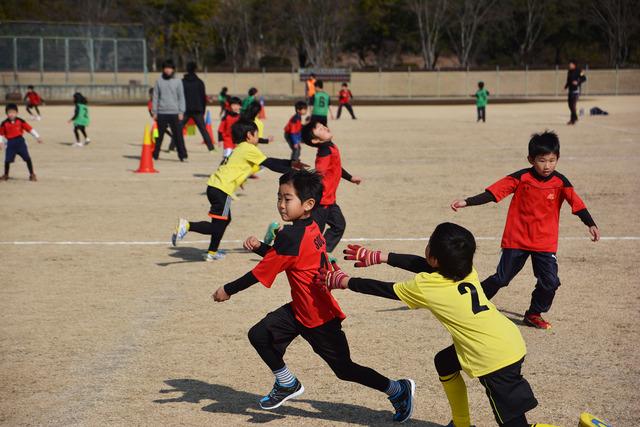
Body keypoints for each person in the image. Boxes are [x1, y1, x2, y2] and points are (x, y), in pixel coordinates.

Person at [211, 169, 415, 422]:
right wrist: (262, 248)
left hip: (319, 315)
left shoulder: (291, 236)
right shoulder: (309, 228)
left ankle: (398, 389)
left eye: (287, 199)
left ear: (308, 204)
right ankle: (287, 384)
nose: (281, 205)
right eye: (279, 198)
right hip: (301, 308)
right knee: (259, 335)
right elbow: (287, 259)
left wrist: (227, 290)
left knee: (345, 369)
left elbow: (259, 273)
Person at [317, 222, 559, 427]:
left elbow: (385, 289)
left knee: (515, 424)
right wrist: (381, 257)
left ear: (434, 257)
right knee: (444, 362)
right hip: (503, 339)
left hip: (492, 358)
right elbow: (424, 265)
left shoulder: (426, 287)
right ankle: (461, 422)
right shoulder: (466, 270)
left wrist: (345, 281)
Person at [450, 131, 600, 329]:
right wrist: (467, 202)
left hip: (544, 243)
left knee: (550, 282)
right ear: (531, 159)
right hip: (517, 239)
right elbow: (493, 193)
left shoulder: (561, 182)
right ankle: (471, 302)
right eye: (542, 160)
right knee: (502, 279)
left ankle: (534, 313)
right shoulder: (521, 178)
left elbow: (577, 205)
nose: (547, 166)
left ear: (558, 159)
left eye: (552, 160)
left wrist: (590, 223)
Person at [171, 120, 302, 261]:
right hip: (222, 189)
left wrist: (290, 163)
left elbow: (269, 160)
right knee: (218, 226)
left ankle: (212, 252)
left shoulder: (241, 148)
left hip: (216, 187)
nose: (258, 137)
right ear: (249, 135)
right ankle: (187, 225)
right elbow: (269, 163)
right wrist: (294, 171)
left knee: (223, 221)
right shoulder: (248, 148)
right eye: (257, 134)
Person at [298, 119, 361, 257]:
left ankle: (322, 253)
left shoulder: (330, 146)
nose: (324, 128)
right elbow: (320, 172)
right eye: (319, 129)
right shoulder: (324, 151)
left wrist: (350, 178)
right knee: (313, 232)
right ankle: (283, 238)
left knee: (339, 226)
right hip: (321, 202)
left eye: (323, 126)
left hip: (330, 200)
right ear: (315, 141)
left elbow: (336, 167)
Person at [151, 59, 187, 161]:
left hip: (175, 113)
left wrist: (181, 111)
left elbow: (181, 97)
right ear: (163, 69)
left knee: (178, 135)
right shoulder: (158, 81)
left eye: (170, 68)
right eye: (166, 68)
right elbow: (155, 97)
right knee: (159, 136)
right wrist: (154, 112)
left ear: (173, 70)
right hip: (161, 113)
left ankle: (182, 155)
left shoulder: (178, 81)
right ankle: (155, 154)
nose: (168, 70)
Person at [1, 103, 43, 181]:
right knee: (7, 160)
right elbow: (1, 134)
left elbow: (30, 129)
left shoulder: (20, 121)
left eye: (13, 112)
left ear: (17, 113)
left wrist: (37, 136)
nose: (11, 114)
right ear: (6, 113)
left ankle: (32, 174)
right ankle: (6, 174)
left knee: (27, 158)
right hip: (10, 143)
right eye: (9, 112)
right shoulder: (4, 123)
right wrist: (0, 142)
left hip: (20, 142)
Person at [181, 62, 214, 151]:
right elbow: (203, 97)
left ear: (187, 69)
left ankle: (171, 147)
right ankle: (211, 148)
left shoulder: (182, 82)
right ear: (195, 69)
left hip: (185, 110)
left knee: (178, 129)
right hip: (197, 110)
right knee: (203, 130)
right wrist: (202, 110)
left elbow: (179, 97)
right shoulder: (199, 82)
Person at [217, 97, 242, 161]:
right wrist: (220, 140)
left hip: (239, 142)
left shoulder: (241, 117)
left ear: (240, 106)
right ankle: (221, 170)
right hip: (228, 140)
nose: (236, 107)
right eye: (233, 105)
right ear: (230, 106)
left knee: (238, 159)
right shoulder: (226, 117)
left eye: (238, 105)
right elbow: (220, 129)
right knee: (227, 158)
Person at [564, 60, 586, 125]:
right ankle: (575, 118)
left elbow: (584, 78)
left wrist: (578, 82)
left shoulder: (579, 71)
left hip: (576, 91)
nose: (569, 65)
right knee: (570, 105)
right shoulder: (569, 71)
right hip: (570, 91)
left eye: (570, 64)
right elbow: (568, 81)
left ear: (574, 65)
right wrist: (565, 87)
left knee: (573, 106)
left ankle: (572, 120)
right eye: (569, 64)